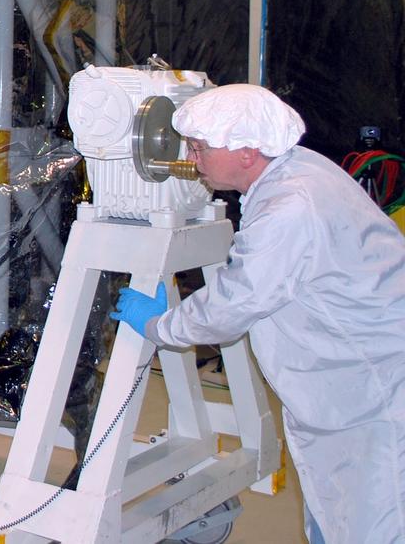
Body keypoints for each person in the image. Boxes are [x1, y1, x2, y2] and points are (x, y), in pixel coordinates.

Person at [110, 84, 405, 544]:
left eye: (201, 147)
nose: (192, 156)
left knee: (372, 522)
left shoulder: (290, 209)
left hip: (367, 397)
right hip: (352, 379)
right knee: (345, 514)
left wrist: (161, 325)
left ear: (247, 151)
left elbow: (232, 306)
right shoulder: (298, 170)